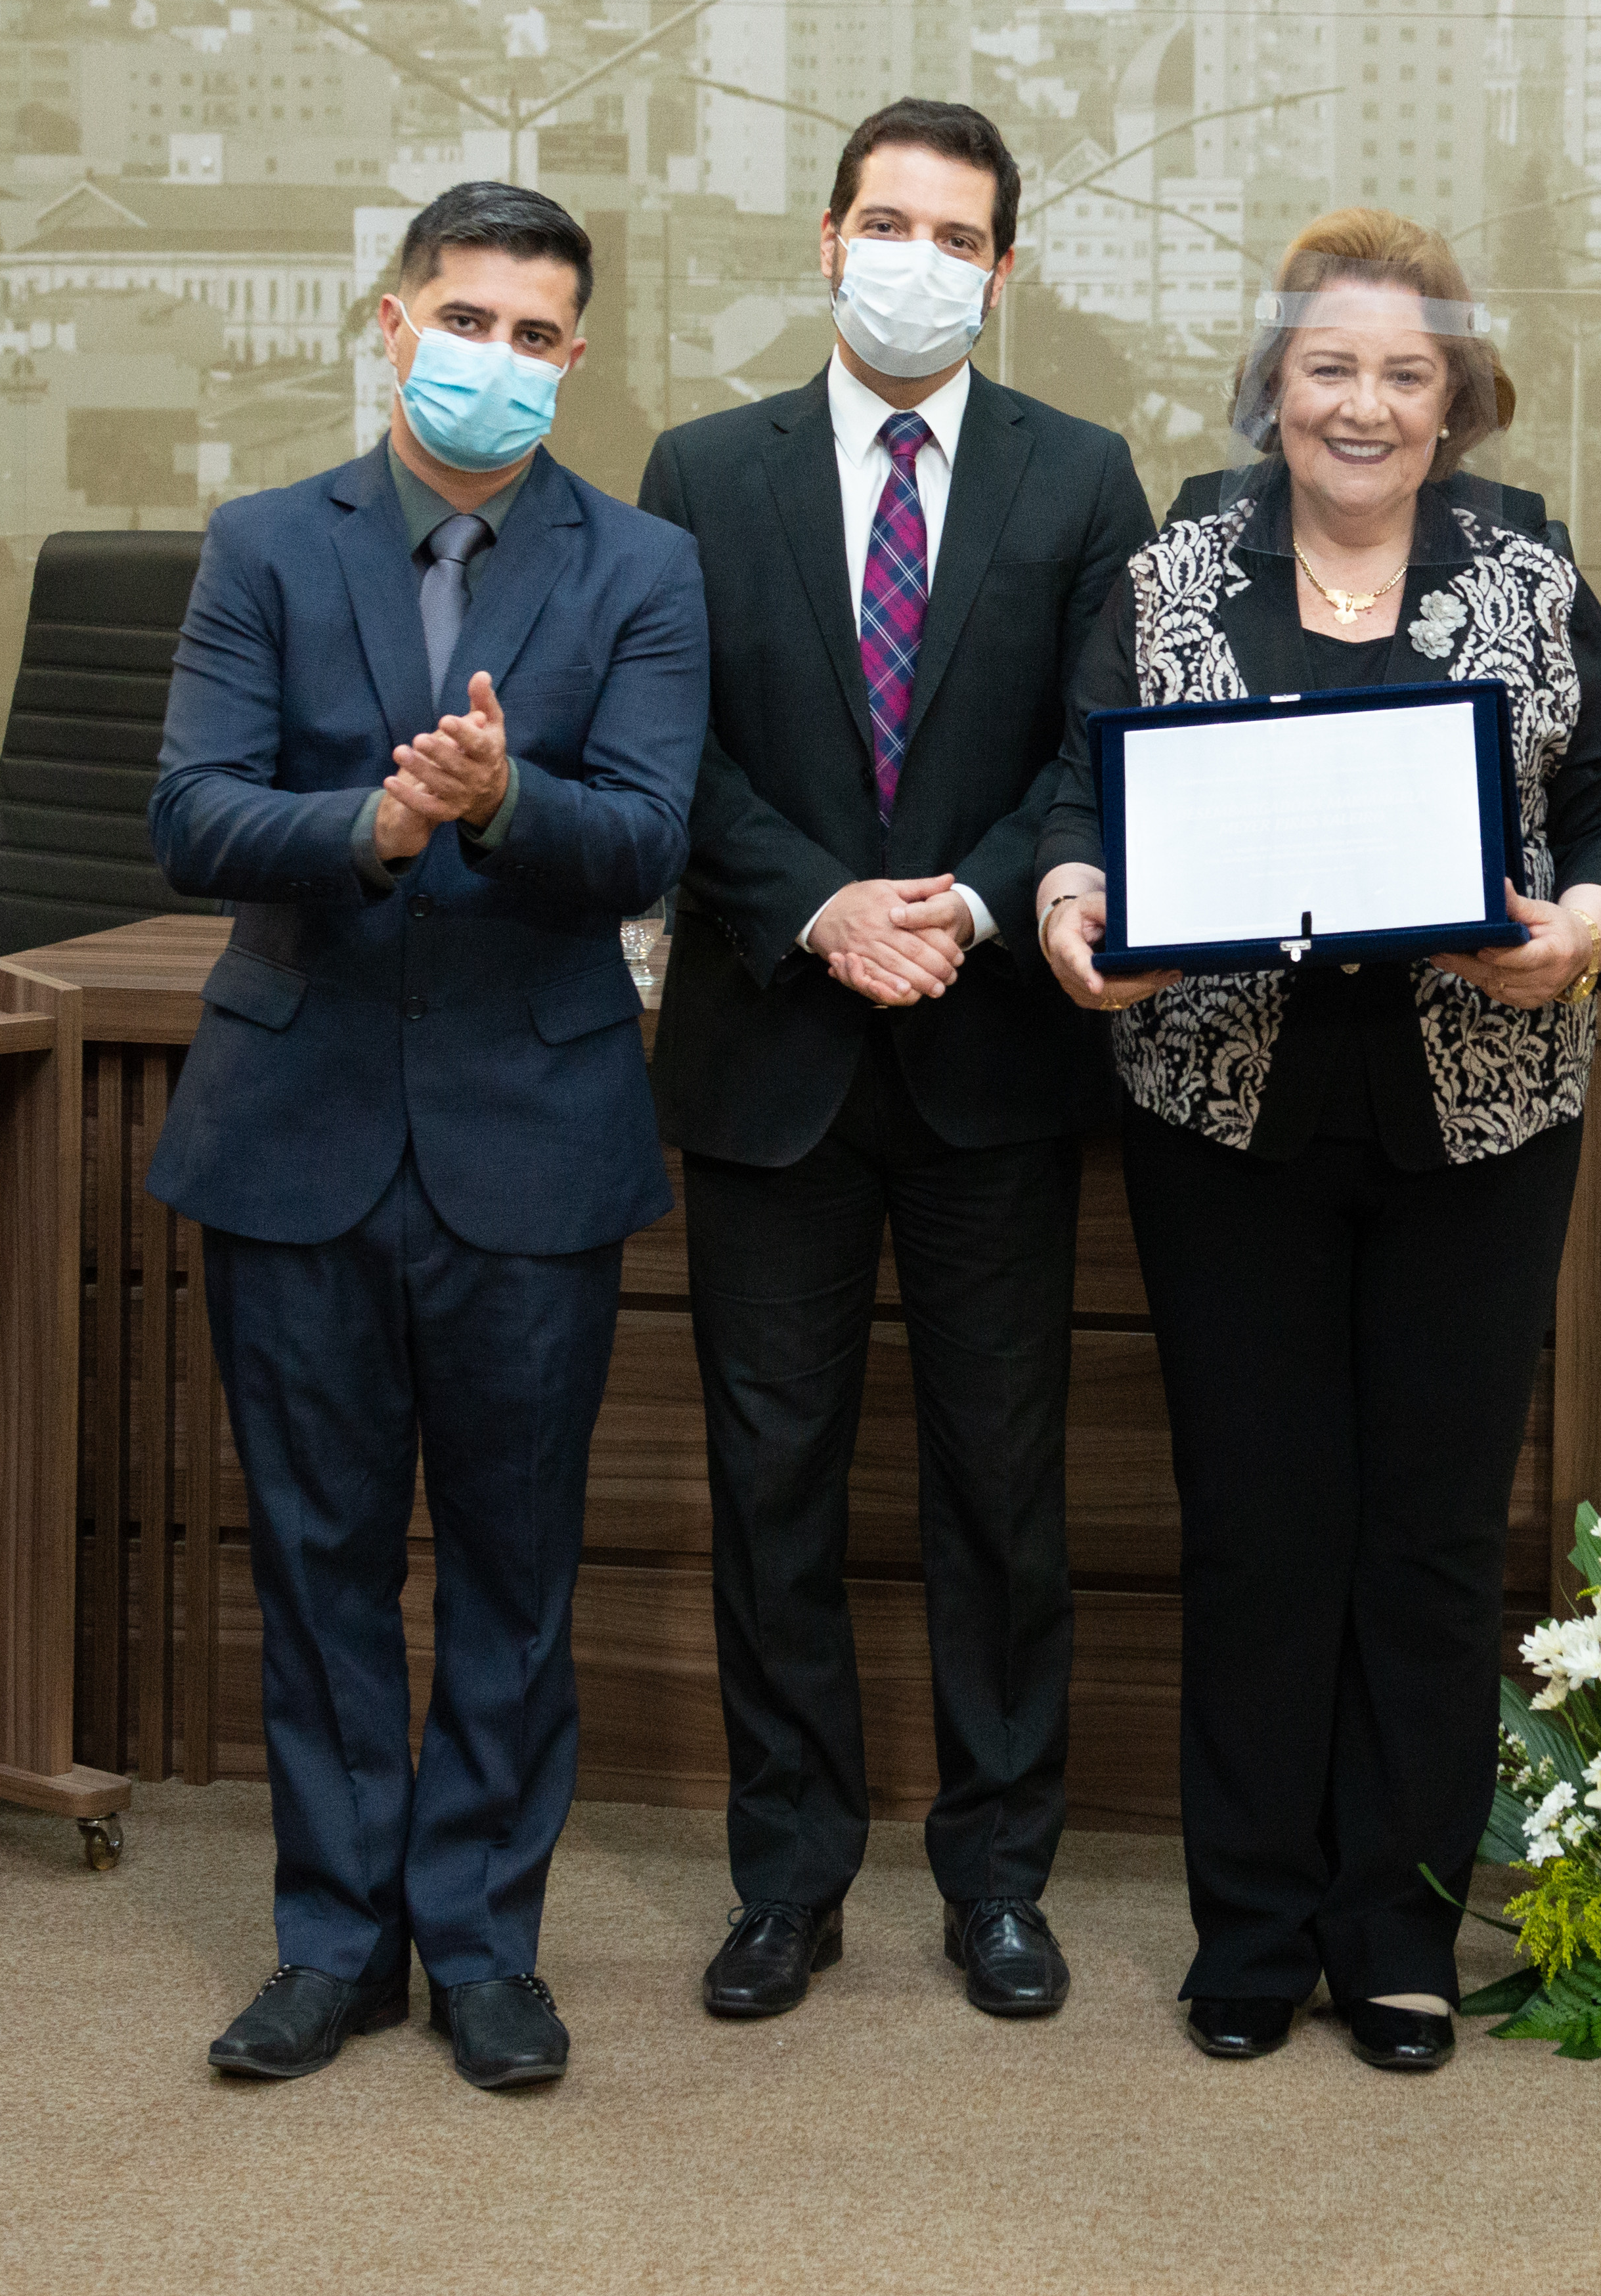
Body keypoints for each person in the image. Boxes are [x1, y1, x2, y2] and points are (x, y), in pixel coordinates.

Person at [1035, 208, 1601, 2074]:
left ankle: (1393, 1926)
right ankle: (1252, 1924)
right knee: (1255, 1523)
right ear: (1271, 387)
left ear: (1456, 396)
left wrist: (1586, 934)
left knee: (1429, 1532)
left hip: (1481, 1115)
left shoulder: (1528, 571)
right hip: (1219, 1107)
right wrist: (1076, 907)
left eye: (1405, 371)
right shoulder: (1171, 574)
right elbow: (1082, 792)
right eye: (1330, 368)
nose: (1365, 403)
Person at [148, 182, 708, 2090]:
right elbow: (193, 813)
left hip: (530, 1136)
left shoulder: (642, 568)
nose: (497, 359)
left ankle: (480, 1938)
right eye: (465, 319)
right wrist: (371, 827)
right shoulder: (261, 544)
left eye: (537, 336)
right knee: (313, 1560)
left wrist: (498, 800)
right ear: (392, 323)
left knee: (506, 1565)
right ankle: (333, 1940)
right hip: (290, 1122)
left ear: (574, 360)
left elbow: (643, 836)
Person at [634, 99, 1152, 2027]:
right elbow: (666, 745)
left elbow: (1098, 741)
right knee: (774, 1480)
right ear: (824, 237)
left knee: (1000, 1483)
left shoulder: (1084, 473)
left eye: (957, 233)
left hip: (993, 1048)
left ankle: (999, 1874)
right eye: (886, 221)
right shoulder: (700, 469)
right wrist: (824, 905)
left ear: (1002, 270)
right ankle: (788, 1876)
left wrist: (965, 897)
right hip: (773, 1040)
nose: (916, 258)